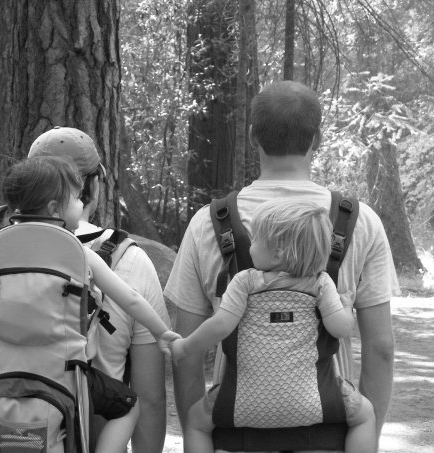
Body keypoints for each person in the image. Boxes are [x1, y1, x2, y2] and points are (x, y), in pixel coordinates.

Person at [164, 80, 399, 452]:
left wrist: (205, 431)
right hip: (329, 432)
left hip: (234, 434)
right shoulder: (360, 222)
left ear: (253, 137)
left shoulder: (207, 223)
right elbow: (380, 348)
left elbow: (188, 355)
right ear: (317, 138)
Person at [0, 156, 179, 453]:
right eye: (77, 198)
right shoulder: (78, 254)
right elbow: (129, 298)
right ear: (55, 208)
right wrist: (161, 332)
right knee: (129, 406)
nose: (83, 204)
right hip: (63, 375)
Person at [170, 200, 376, 453]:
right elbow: (340, 329)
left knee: (195, 422)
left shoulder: (244, 282)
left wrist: (184, 347)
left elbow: (220, 326)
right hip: (315, 401)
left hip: (241, 402)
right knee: (365, 415)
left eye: (255, 239)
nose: (251, 244)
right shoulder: (320, 284)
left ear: (277, 253)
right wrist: (346, 307)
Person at [28, 126, 171, 453]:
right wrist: (164, 333)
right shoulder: (128, 259)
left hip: (7, 430)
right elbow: (150, 400)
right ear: (92, 186)